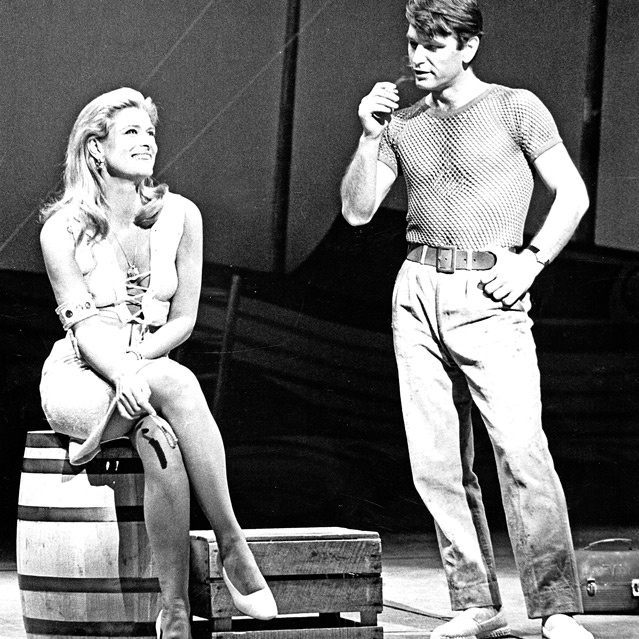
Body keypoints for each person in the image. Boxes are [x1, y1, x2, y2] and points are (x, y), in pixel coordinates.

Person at [340, 2, 594, 638]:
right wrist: (369, 137)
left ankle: (556, 607)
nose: (417, 57)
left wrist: (532, 261)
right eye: (412, 43)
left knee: (522, 450)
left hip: (490, 288)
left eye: (433, 44)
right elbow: (357, 212)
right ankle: (476, 603)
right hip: (416, 287)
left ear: (468, 47)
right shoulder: (402, 122)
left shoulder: (516, 107)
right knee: (436, 462)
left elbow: (572, 194)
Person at [38, 87, 277, 639]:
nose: (147, 141)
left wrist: (136, 366)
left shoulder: (182, 216)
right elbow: (83, 329)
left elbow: (184, 320)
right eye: (131, 132)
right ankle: (233, 545)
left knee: (156, 434)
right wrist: (125, 372)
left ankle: (173, 611)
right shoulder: (61, 229)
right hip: (82, 376)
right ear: (95, 148)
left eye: (150, 132)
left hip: (147, 377)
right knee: (175, 378)